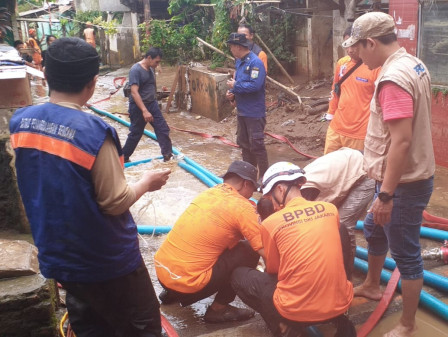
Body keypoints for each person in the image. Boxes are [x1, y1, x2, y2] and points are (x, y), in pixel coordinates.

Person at [9, 37, 171, 337]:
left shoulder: (21, 122)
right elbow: (115, 201)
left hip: (58, 255)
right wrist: (147, 183)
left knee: (89, 323)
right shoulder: (94, 132)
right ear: (93, 82)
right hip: (108, 261)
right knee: (142, 325)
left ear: (45, 75)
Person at [342, 12, 435, 337]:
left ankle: (407, 325)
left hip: (404, 183)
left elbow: (401, 141)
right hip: (407, 177)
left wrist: (385, 195)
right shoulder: (412, 62)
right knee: (372, 226)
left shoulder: (392, 78)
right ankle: (371, 285)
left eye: (359, 49)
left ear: (370, 42)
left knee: (406, 254)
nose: (357, 56)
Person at [231, 162, 355, 337]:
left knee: (239, 275)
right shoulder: (330, 210)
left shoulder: (271, 223)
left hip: (297, 312)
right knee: (341, 232)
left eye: (270, 198)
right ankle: (338, 317)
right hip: (341, 304)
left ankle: (284, 328)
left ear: (280, 189)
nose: (273, 206)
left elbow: (274, 270)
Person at [154, 160, 265, 323]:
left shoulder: (208, 194)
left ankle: (170, 293)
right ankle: (218, 309)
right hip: (188, 284)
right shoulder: (241, 207)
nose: (252, 195)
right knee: (249, 250)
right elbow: (265, 251)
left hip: (163, 274)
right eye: (253, 189)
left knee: (207, 243)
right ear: (245, 184)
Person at [300, 147, 375, 280]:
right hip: (343, 169)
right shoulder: (285, 191)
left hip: (363, 172)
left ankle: (346, 277)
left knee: (343, 226)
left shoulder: (304, 193)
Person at [323, 25, 380, 154]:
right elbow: (335, 90)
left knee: (352, 171)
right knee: (329, 166)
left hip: (359, 133)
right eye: (347, 45)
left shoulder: (375, 67)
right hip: (336, 128)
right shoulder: (342, 63)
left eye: (354, 45)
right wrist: (330, 114)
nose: (350, 50)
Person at [226, 33, 269, 179]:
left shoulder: (255, 63)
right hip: (242, 112)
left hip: (254, 113)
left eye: (232, 47)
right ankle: (249, 178)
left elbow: (255, 85)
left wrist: (236, 85)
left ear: (238, 47)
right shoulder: (239, 62)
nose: (231, 50)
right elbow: (237, 81)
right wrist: (232, 93)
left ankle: (264, 180)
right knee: (244, 145)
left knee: (257, 146)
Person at [122, 47, 173, 162]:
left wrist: (161, 92)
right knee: (136, 133)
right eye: (157, 62)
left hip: (152, 104)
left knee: (163, 129)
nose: (158, 64)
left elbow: (149, 87)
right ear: (149, 58)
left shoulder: (150, 68)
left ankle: (168, 156)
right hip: (138, 107)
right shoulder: (136, 70)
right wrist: (144, 110)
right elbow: (134, 92)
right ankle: (123, 157)